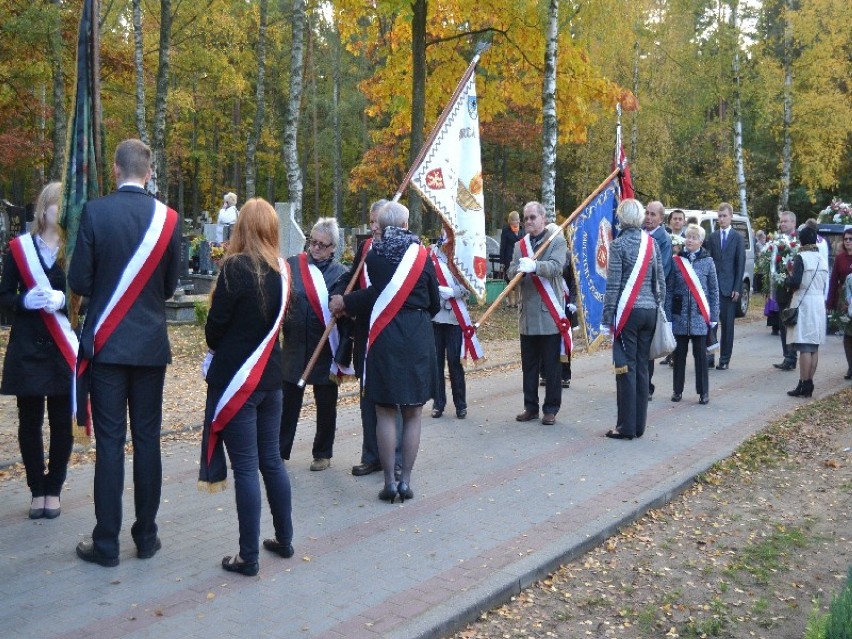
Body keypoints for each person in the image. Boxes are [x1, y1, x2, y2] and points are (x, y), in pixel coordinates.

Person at [69, 139, 181, 567]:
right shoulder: (169, 220)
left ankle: (107, 543)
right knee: (148, 441)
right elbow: (171, 287)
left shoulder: (96, 212)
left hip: (109, 347)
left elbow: (79, 279)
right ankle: (147, 537)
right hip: (150, 346)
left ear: (116, 169)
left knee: (111, 444)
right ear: (149, 173)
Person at [199, 198, 294, 576]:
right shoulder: (283, 271)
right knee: (271, 460)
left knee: (246, 469)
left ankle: (248, 556)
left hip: (239, 384)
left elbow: (213, 331)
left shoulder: (234, 268)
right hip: (271, 380)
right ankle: (284, 539)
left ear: (241, 228)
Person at [332, 201, 440, 503]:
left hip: (384, 334)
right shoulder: (422, 255)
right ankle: (405, 482)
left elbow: (373, 295)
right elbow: (433, 300)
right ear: (405, 225)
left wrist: (346, 302)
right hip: (417, 334)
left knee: (385, 412)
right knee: (414, 412)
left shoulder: (375, 254)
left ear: (384, 224)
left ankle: (389, 483)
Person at [0, 182, 74, 520]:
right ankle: (36, 489)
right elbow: (3, 298)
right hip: (28, 347)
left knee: (61, 422)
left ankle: (54, 489)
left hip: (62, 349)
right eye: (59, 203)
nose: (63, 209)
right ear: (44, 208)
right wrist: (24, 301)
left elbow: (89, 299)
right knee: (30, 422)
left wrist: (66, 301)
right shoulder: (18, 249)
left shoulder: (74, 249)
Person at [329, 200, 402, 478]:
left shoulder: (401, 253)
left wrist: (347, 302)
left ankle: (394, 459)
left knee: (390, 398)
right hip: (364, 333)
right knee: (367, 396)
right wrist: (335, 295)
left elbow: (380, 293)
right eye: (371, 222)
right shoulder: (366, 247)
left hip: (388, 333)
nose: (373, 227)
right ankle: (371, 455)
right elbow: (352, 275)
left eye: (377, 222)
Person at [279, 218, 348, 471]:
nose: (315, 248)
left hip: (324, 347)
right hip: (295, 345)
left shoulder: (341, 274)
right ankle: (280, 451)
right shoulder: (292, 265)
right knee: (287, 404)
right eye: (313, 242)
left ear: (333, 248)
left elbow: (345, 309)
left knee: (326, 405)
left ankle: (322, 453)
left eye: (322, 245)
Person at [601, 198, 665, 440]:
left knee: (626, 369)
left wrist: (608, 317)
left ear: (621, 218)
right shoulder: (652, 244)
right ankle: (639, 425)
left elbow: (614, 285)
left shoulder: (618, 245)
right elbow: (660, 281)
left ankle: (626, 427)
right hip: (649, 313)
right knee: (642, 369)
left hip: (629, 313)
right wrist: (658, 307)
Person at [506, 201, 569, 426]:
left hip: (549, 313)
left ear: (543, 219)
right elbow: (511, 271)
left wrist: (535, 266)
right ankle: (530, 407)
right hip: (528, 314)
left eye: (533, 217)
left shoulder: (556, 241)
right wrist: (518, 269)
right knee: (529, 366)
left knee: (551, 366)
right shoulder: (519, 245)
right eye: (526, 218)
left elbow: (556, 267)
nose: (529, 221)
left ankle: (551, 409)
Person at [665, 224, 719, 405]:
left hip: (699, 316)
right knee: (678, 356)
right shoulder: (676, 261)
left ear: (701, 241)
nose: (690, 240)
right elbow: (670, 290)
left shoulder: (708, 261)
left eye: (694, 237)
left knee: (701, 357)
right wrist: (669, 317)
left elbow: (713, 291)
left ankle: (703, 392)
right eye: (688, 236)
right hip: (679, 315)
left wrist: (714, 317)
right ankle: (677, 390)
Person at [784, 226, 829, 398]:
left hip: (804, 301)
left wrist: (787, 280)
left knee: (804, 345)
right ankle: (808, 382)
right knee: (814, 346)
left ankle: (804, 383)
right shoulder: (821, 258)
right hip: (818, 302)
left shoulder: (801, 257)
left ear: (801, 240)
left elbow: (796, 281)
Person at [430, 239, 471, 419]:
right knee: (436, 363)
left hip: (455, 317)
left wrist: (454, 292)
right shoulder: (431, 254)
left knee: (455, 362)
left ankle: (460, 404)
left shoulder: (463, 255)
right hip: (435, 316)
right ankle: (438, 403)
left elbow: (470, 287)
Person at [706, 202, 745, 370]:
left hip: (729, 288)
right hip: (713, 287)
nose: (721, 219)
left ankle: (725, 358)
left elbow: (740, 264)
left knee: (728, 326)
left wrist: (737, 288)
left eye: (724, 216)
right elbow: (708, 260)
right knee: (711, 323)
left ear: (730, 217)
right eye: (719, 216)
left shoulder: (737, 238)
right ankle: (709, 356)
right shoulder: (712, 237)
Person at [643, 201, 672, 397]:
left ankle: (647, 385)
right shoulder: (640, 235)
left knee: (648, 345)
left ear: (661, 218)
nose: (648, 217)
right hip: (636, 297)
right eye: (647, 213)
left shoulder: (663, 239)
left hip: (651, 297)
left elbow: (663, 270)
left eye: (653, 214)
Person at [773, 211, 798, 369]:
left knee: (792, 323)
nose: (782, 224)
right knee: (783, 323)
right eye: (781, 221)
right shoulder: (777, 241)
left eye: (786, 221)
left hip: (794, 289)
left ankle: (793, 356)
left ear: (793, 223)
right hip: (781, 288)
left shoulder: (799, 240)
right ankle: (787, 356)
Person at [827, 228, 852, 379]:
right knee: (848, 335)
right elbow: (833, 280)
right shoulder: (840, 258)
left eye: (851, 239)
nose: (848, 241)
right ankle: (851, 367)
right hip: (844, 300)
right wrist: (831, 302)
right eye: (846, 239)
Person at [499, 211, 523, 308]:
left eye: (517, 220)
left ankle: (518, 301)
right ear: (510, 221)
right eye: (513, 220)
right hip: (508, 259)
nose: (516, 222)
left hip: (519, 259)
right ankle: (510, 301)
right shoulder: (506, 231)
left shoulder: (522, 230)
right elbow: (502, 247)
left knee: (518, 280)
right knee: (509, 280)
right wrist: (501, 262)